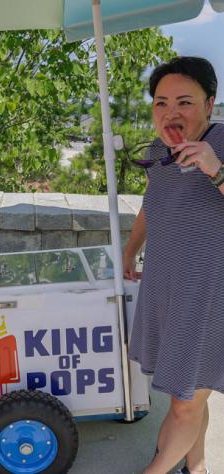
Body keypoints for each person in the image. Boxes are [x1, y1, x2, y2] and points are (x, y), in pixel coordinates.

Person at [124, 56, 224, 474]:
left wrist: (215, 169)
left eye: (184, 101)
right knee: (184, 394)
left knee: (185, 403)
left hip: (208, 295)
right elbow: (153, 204)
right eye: (161, 103)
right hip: (166, 287)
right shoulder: (157, 151)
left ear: (210, 103)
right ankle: (196, 467)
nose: (171, 112)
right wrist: (131, 250)